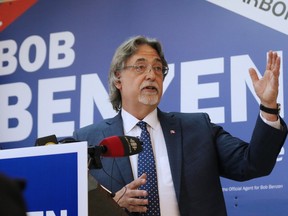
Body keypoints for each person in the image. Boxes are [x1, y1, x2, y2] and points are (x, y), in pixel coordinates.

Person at [73, 35, 287, 216]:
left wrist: (268, 107)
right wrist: (111, 205)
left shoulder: (197, 128)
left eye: (158, 68)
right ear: (118, 79)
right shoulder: (88, 141)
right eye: (140, 67)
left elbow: (253, 163)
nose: (151, 75)